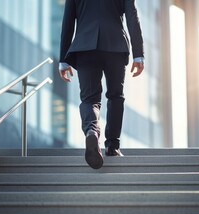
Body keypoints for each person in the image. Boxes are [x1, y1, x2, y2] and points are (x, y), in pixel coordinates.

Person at [59, 0, 144, 169]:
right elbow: (132, 16)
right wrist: (138, 55)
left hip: (85, 47)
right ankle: (112, 146)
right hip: (115, 45)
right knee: (115, 96)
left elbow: (67, 21)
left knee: (89, 99)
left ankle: (91, 131)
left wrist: (63, 59)